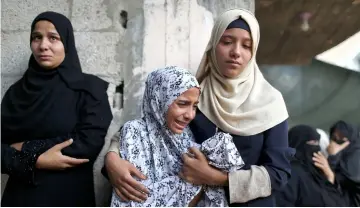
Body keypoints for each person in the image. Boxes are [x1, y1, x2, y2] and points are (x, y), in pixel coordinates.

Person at [104, 9, 293, 206]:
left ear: (253, 53)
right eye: (227, 42)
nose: (236, 52)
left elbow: (279, 173)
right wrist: (112, 158)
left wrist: (218, 178)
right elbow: (150, 128)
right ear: (213, 45)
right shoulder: (193, 96)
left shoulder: (270, 103)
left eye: (247, 45)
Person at [1, 11, 113, 206]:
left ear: (66, 43)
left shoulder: (89, 89)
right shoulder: (16, 93)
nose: (43, 45)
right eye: (36, 37)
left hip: (68, 195)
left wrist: (23, 148)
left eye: (53, 38)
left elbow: (88, 144)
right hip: (20, 198)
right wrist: (36, 160)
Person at [110, 66, 244, 207]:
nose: (190, 115)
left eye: (194, 106)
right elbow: (137, 198)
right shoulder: (135, 133)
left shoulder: (188, 135)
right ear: (159, 98)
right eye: (182, 104)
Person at [275, 125, 348, 207]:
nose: (317, 147)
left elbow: (336, 199)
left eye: (317, 142)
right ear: (298, 143)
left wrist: (329, 174)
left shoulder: (317, 170)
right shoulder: (290, 173)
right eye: (312, 142)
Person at [327, 120, 360, 206]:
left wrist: (333, 158)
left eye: (341, 141)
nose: (334, 144)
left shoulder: (355, 157)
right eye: (333, 139)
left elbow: (338, 180)